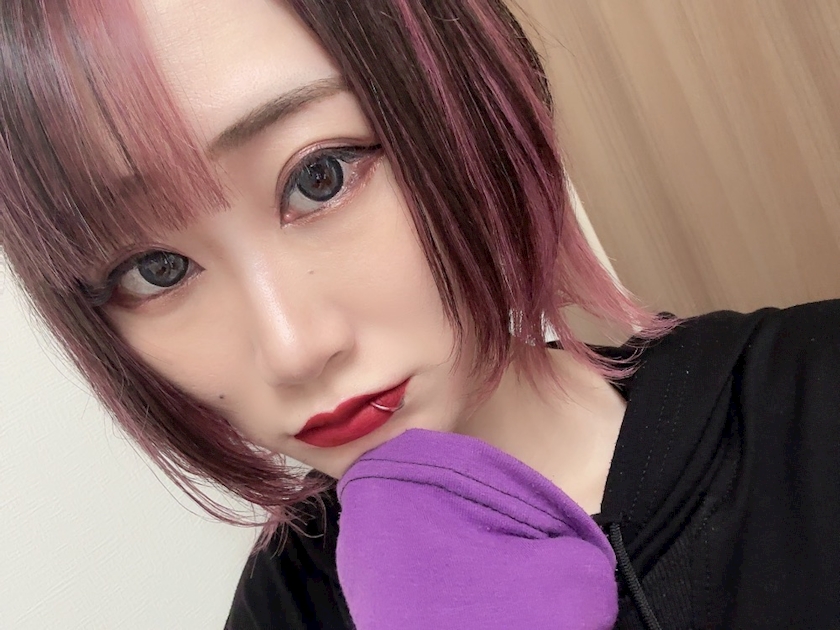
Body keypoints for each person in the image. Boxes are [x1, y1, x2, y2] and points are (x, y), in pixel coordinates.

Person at [1, 1, 838, 628]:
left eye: (320, 177)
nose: (294, 349)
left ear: (466, 102)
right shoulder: (284, 612)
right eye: (155, 270)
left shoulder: (812, 396)